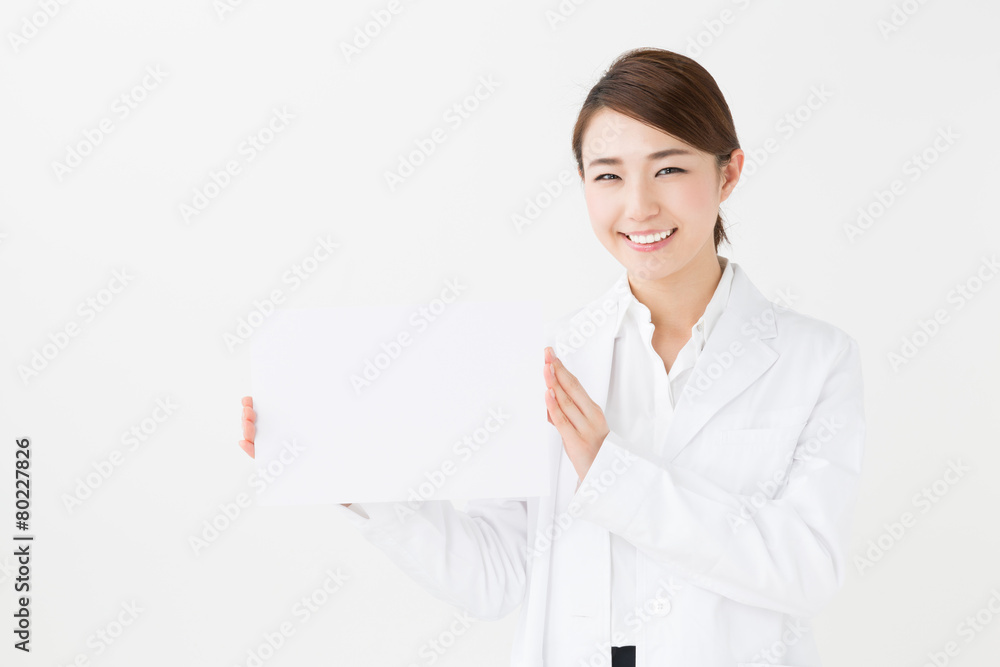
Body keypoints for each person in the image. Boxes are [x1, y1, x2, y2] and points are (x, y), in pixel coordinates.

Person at [238, 47, 865, 667]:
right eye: (609, 175)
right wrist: (355, 476)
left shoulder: (815, 360)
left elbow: (805, 571)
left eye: (669, 169)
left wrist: (608, 472)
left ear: (728, 173)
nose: (639, 206)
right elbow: (496, 577)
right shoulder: (551, 359)